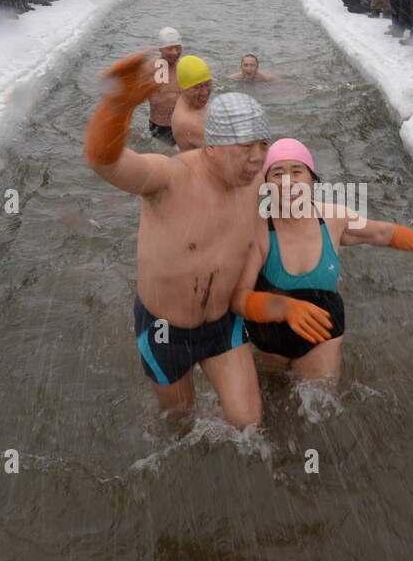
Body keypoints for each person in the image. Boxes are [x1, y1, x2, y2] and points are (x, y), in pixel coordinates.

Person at [84, 58, 322, 429]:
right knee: (178, 422)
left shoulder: (259, 184)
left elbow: (310, 209)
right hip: (165, 329)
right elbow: (104, 162)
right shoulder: (169, 178)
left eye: (262, 145)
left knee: (249, 425)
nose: (257, 159)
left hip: (222, 324)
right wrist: (117, 107)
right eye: (244, 148)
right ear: (212, 146)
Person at [238, 139, 413, 382]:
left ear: (312, 180)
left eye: (297, 172)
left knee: (321, 406)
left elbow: (382, 233)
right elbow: (239, 297)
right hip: (269, 333)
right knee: (277, 395)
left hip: (321, 333)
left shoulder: (334, 218)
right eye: (278, 173)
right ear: (266, 185)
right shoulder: (256, 229)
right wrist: (285, 308)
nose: (288, 181)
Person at [170, 54, 212, 151]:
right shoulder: (188, 123)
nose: (205, 92)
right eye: (197, 87)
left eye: (208, 84)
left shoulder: (193, 102)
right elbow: (225, 155)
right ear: (182, 88)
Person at [149, 26, 183, 143]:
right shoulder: (150, 69)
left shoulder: (186, 67)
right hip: (159, 127)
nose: (175, 52)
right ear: (160, 49)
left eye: (178, 48)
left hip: (182, 126)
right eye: (170, 49)